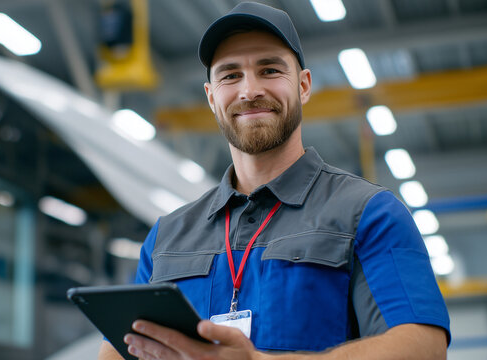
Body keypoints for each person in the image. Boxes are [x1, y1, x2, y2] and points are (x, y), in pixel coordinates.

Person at [98, 2, 450, 359]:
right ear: (211, 97)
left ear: (304, 85)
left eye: (268, 70)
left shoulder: (368, 214)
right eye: (230, 75)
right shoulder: (166, 236)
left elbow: (423, 348)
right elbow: (116, 353)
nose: (249, 91)